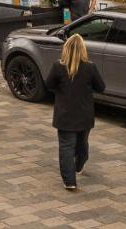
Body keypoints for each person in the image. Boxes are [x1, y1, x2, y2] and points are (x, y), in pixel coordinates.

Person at [45, 34, 106, 191]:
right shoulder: (90, 67)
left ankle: (69, 181)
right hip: (84, 115)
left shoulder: (58, 66)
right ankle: (79, 165)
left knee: (66, 147)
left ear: (65, 49)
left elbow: (49, 84)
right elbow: (101, 87)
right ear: (83, 50)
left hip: (64, 116)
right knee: (82, 143)